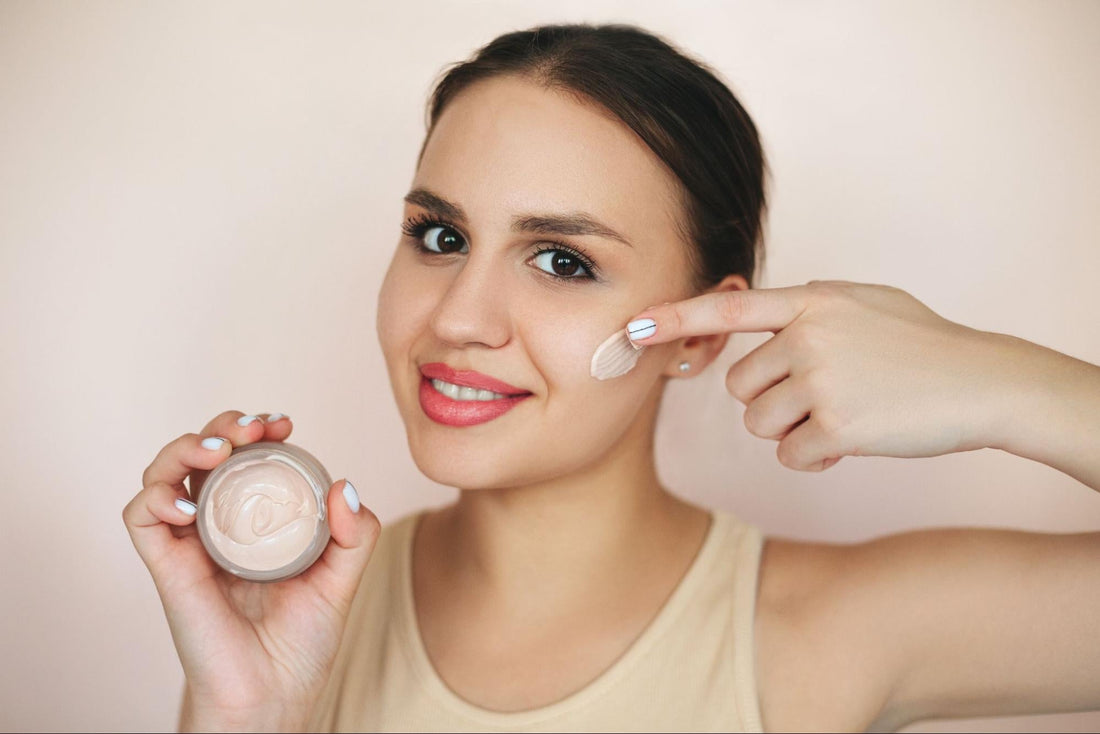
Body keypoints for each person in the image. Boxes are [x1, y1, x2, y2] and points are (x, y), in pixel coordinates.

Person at [123, 23, 1100, 732]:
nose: (456, 316)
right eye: (439, 235)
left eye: (560, 259)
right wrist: (242, 712)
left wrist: (990, 379)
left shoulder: (824, 632)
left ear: (696, 333)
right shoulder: (296, 620)